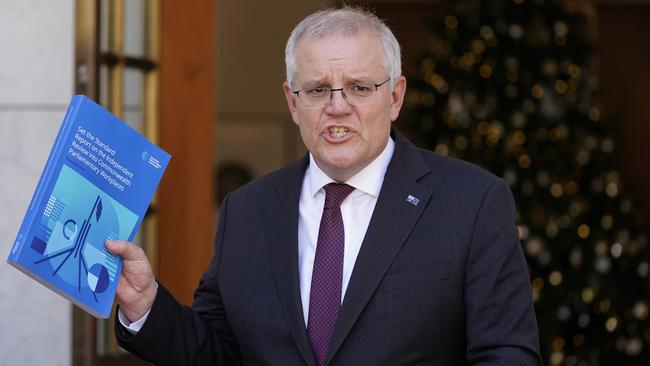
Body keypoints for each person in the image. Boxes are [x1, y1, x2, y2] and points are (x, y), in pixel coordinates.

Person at [107, 7, 542, 365]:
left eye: (359, 87)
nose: (337, 107)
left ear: (394, 97)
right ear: (293, 103)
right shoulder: (248, 210)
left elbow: (506, 355)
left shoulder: (471, 202)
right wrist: (146, 305)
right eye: (317, 90)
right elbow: (217, 351)